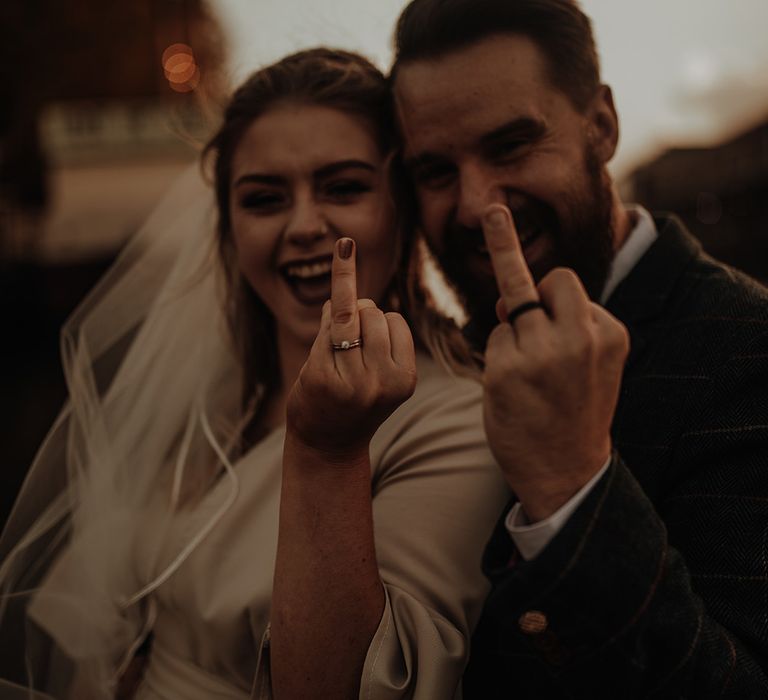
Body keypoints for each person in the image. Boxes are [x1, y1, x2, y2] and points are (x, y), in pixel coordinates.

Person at [0, 48, 509, 699]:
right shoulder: (213, 394)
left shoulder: (458, 418)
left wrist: (330, 448)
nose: (303, 226)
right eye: (265, 198)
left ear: (401, 211)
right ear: (229, 227)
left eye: (344, 187)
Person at [390, 0, 768, 697]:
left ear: (602, 126)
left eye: (510, 147)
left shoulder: (748, 348)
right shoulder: (431, 369)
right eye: (437, 171)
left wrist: (573, 486)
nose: (476, 205)